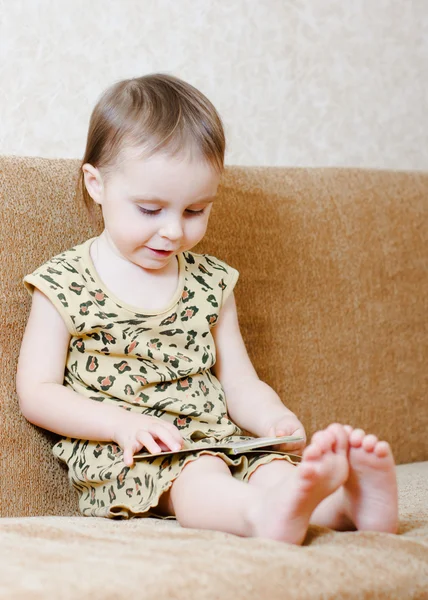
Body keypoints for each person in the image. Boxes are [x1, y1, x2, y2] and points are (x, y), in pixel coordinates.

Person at [16, 73, 398, 545]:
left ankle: (348, 507)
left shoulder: (211, 281)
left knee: (272, 466)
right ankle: (260, 516)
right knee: (200, 475)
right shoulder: (63, 281)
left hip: (219, 434)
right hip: (131, 451)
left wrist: (273, 419)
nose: (174, 232)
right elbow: (37, 392)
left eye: (195, 210)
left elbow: (238, 380)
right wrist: (122, 424)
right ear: (96, 184)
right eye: (150, 210)